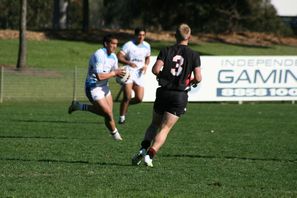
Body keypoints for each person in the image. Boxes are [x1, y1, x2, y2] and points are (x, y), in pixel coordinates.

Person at [131, 24, 202, 167]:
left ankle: (143, 148)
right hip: (179, 95)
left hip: (163, 91)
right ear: (189, 37)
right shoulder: (194, 55)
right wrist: (191, 82)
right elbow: (199, 78)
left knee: (154, 123)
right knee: (165, 128)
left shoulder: (166, 50)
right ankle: (150, 156)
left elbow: (155, 69)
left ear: (175, 36)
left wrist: (165, 76)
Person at [68, 34, 127, 141]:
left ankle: (79, 106)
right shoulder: (98, 55)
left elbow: (116, 73)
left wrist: (122, 76)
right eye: (113, 44)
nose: (115, 46)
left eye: (116, 44)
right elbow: (100, 76)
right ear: (106, 44)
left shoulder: (113, 57)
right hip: (93, 87)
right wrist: (115, 73)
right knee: (108, 113)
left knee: (108, 114)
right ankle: (116, 136)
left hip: (104, 87)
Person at [117, 27, 151, 124]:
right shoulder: (129, 45)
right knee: (127, 96)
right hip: (129, 72)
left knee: (139, 98)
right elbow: (119, 56)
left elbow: (148, 57)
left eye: (143, 35)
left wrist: (145, 65)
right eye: (139, 35)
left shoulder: (147, 46)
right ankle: (122, 117)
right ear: (135, 35)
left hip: (139, 74)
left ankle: (125, 105)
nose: (141, 37)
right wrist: (128, 62)